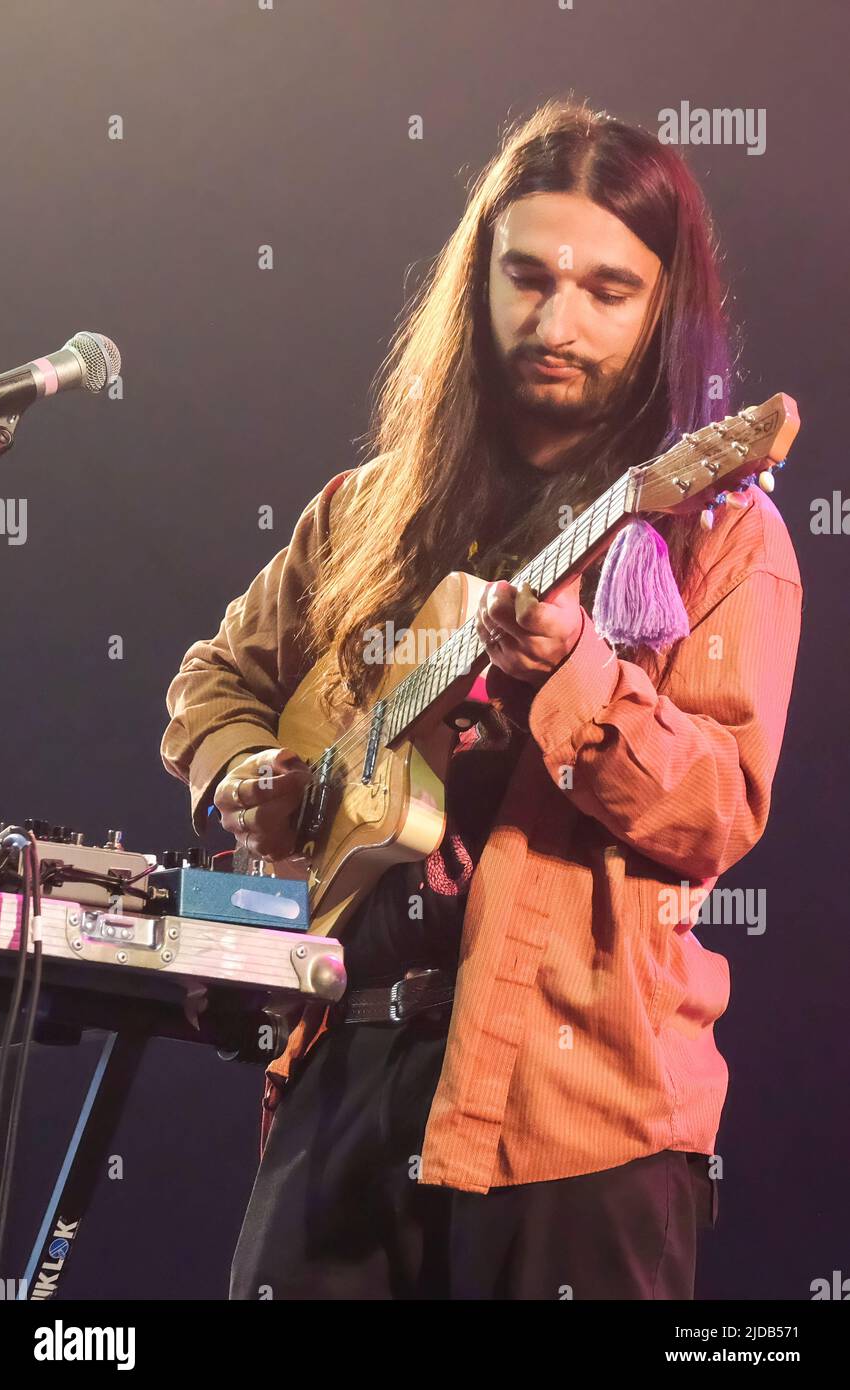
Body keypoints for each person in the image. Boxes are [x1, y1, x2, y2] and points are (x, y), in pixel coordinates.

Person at [160, 99, 802, 1300]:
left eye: (607, 290)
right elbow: (214, 679)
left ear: (665, 307)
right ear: (478, 281)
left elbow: (715, 810)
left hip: (576, 1116)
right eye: (527, 276)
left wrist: (574, 672)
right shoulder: (367, 505)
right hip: (343, 1068)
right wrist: (242, 767)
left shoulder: (716, 531)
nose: (556, 320)